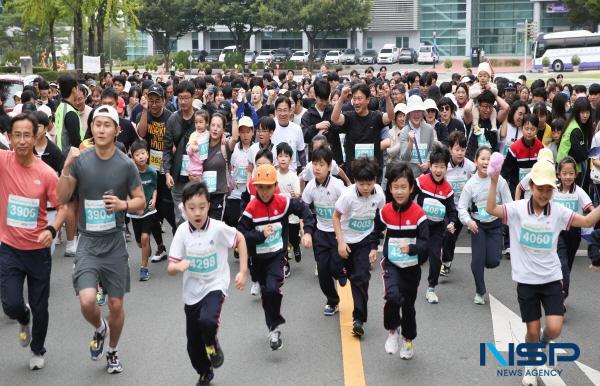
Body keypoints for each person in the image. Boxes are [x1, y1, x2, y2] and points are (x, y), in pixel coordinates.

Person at [486, 151, 600, 386]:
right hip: (526, 281)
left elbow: (587, 221)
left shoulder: (558, 212)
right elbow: (490, 209)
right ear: (531, 186)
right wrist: (494, 179)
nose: (545, 194)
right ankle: (531, 363)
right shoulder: (517, 209)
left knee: (555, 329)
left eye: (549, 190)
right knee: (532, 330)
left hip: (550, 279)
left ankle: (539, 350)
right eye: (540, 189)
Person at [56, 105, 145, 374]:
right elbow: (61, 197)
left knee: (116, 304)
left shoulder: (126, 164)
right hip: (89, 243)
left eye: (107, 125)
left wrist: (122, 205)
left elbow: (140, 202)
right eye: (97, 124)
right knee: (87, 301)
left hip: (114, 242)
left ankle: (113, 351)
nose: (102, 129)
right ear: (91, 128)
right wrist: (67, 164)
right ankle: (99, 328)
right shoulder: (81, 161)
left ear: (117, 130)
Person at [0, 113, 67, 370]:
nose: (21, 140)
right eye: (16, 135)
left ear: (36, 135)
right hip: (9, 249)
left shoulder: (47, 173)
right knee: (11, 304)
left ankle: (38, 349)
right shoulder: (3, 161)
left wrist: (52, 228)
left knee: (41, 306)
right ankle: (22, 316)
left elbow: (62, 206)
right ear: (9, 137)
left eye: (27, 134)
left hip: (38, 250)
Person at [167, 181, 248, 386]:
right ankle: (205, 371)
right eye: (192, 208)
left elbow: (240, 240)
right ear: (184, 208)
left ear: (209, 205)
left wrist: (243, 272)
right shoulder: (182, 232)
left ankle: (212, 344)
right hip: (191, 293)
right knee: (193, 346)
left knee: (208, 321)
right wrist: (178, 266)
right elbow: (170, 267)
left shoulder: (218, 228)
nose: (197, 212)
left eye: (202, 207)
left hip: (215, 285)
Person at [237, 164, 314, 350]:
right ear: (255, 187)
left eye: (268, 187)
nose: (264, 191)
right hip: (258, 260)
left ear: (275, 186)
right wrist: (260, 235)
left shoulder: (282, 202)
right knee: (267, 294)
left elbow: (304, 208)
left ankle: (275, 328)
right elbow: (240, 235)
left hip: (277, 256)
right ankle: (273, 326)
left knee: (272, 290)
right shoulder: (252, 207)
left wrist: (308, 232)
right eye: (260, 187)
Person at [371, 162, 428, 359]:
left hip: (412, 268)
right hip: (392, 265)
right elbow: (375, 230)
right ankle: (393, 331)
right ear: (390, 188)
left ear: (411, 188)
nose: (399, 191)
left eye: (403, 187)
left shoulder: (419, 215)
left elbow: (425, 245)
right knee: (393, 297)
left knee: (408, 307)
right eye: (395, 187)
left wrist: (412, 249)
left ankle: (408, 340)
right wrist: (372, 248)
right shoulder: (385, 211)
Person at [333, 158, 385, 337]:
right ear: (355, 181)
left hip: (364, 240)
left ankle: (359, 319)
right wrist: (340, 242)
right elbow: (336, 217)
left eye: (369, 184)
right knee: (333, 269)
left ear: (375, 180)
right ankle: (340, 276)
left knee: (361, 278)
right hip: (345, 240)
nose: (365, 188)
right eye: (361, 184)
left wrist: (373, 247)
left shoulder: (379, 193)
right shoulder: (347, 196)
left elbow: (381, 218)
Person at [458, 146, 512, 303]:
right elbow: (461, 207)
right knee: (477, 262)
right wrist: (469, 221)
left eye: (489, 159)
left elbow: (509, 203)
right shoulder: (471, 184)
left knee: (493, 261)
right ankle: (480, 292)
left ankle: (489, 259)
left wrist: (507, 219)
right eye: (482, 158)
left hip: (495, 225)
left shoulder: (499, 180)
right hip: (478, 226)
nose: (485, 162)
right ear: (475, 161)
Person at [302, 146, 347, 315]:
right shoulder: (310, 187)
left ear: (329, 167)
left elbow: (348, 206)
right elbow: (304, 208)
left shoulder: (337, 185)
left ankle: (342, 273)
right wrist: (305, 231)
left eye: (321, 164)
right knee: (322, 270)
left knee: (335, 265)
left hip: (337, 232)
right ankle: (332, 301)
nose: (317, 168)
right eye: (314, 164)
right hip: (320, 232)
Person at [413, 145, 458, 304]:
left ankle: (431, 288)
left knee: (435, 258)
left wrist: (452, 222)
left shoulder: (448, 189)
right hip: (420, 227)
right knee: (419, 256)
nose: (439, 170)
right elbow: (407, 196)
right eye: (436, 166)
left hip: (437, 229)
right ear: (430, 166)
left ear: (446, 168)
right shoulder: (421, 182)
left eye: (442, 167)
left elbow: (452, 211)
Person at [137, 83, 175, 261]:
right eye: (151, 101)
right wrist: (144, 111)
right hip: (149, 169)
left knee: (169, 209)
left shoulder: (171, 117)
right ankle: (160, 247)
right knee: (151, 209)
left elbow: (175, 142)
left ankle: (179, 246)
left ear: (164, 100)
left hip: (166, 169)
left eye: (157, 101)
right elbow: (141, 133)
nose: (153, 104)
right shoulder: (144, 114)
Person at [331, 83, 394, 181]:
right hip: (353, 173)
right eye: (354, 99)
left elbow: (390, 117)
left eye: (359, 99)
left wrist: (388, 98)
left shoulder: (376, 116)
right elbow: (334, 118)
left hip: (373, 172)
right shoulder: (349, 117)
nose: (356, 102)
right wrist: (342, 98)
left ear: (368, 100)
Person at [554, 157, 593, 302]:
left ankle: (563, 291)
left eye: (571, 173)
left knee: (567, 265)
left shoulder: (579, 192)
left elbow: (591, 208)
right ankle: (560, 297)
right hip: (557, 233)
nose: (568, 177)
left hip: (574, 233)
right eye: (564, 173)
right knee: (561, 262)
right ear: (559, 174)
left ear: (576, 174)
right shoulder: (553, 189)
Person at [441, 131, 476, 276]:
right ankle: (445, 262)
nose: (460, 153)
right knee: (447, 234)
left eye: (463, 149)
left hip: (461, 208)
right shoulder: (443, 165)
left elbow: (477, 182)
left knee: (452, 237)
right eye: (457, 149)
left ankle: (446, 261)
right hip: (446, 206)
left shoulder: (469, 166)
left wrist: (468, 187)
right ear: (450, 149)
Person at [127, 140, 158, 282]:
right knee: (140, 242)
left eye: (143, 153)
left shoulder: (152, 172)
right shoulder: (131, 173)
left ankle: (144, 269)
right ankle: (145, 247)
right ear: (132, 157)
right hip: (134, 211)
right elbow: (127, 191)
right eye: (137, 154)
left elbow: (154, 188)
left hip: (149, 211)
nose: (140, 157)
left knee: (145, 237)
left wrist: (154, 200)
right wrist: (133, 205)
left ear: (148, 154)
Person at [500, 114, 545, 195]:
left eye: (532, 129)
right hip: (516, 188)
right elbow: (505, 171)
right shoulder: (514, 148)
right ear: (521, 128)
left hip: (533, 189)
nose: (529, 132)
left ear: (537, 130)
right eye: (526, 128)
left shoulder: (540, 147)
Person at [275, 142, 302, 277]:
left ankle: (296, 246)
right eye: (280, 156)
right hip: (279, 214)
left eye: (286, 156)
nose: (283, 158)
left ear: (291, 159)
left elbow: (297, 195)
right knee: (282, 240)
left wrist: (292, 196)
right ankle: (285, 265)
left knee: (293, 237)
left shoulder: (293, 176)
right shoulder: (274, 174)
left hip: (292, 214)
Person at [397, 95, 436, 178]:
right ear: (409, 114)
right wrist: (410, 143)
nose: (416, 114)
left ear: (422, 113)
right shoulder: (404, 131)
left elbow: (432, 150)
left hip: (426, 175)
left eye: (419, 111)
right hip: (410, 175)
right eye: (413, 111)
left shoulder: (429, 129)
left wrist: (428, 163)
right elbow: (404, 158)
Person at [556, 97, 592, 186]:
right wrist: (588, 153)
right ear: (577, 112)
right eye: (582, 112)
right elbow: (580, 155)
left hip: (563, 167)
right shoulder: (576, 129)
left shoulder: (571, 122)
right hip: (570, 170)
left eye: (587, 112)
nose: (585, 115)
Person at [185, 110, 211, 181]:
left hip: (206, 167)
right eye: (196, 122)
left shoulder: (209, 134)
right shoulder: (193, 135)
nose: (198, 125)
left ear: (207, 123)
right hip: (195, 168)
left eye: (201, 122)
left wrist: (223, 138)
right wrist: (192, 147)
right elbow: (188, 151)